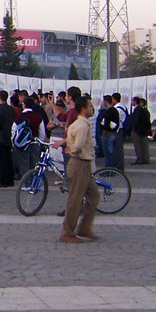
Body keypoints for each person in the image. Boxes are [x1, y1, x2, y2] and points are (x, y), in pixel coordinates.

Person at [60, 96, 99, 243]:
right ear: (84, 108)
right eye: (90, 106)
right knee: (75, 200)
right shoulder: (82, 126)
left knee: (94, 196)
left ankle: (85, 228)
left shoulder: (78, 124)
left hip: (83, 163)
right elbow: (78, 145)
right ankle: (67, 231)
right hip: (79, 163)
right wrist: (72, 149)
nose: (92, 108)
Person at [0, 90, 16, 187]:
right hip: (8, 136)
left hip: (0, 138)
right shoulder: (11, 109)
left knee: (1, 160)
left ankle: (3, 180)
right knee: (8, 159)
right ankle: (10, 179)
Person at [130, 96, 152, 165]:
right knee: (144, 145)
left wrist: (134, 129)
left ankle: (139, 159)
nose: (131, 102)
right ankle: (145, 158)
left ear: (135, 101)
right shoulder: (143, 110)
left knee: (138, 145)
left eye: (132, 101)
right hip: (143, 130)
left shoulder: (137, 109)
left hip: (138, 131)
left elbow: (136, 120)